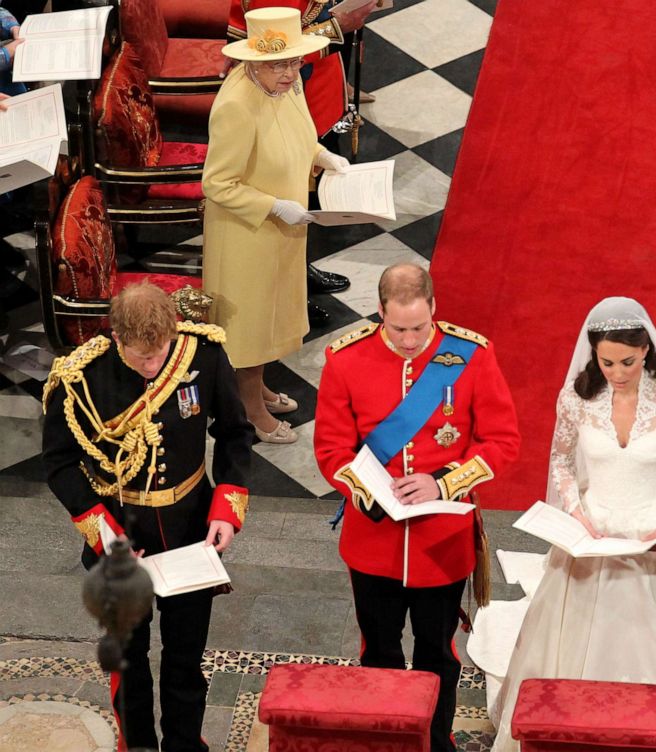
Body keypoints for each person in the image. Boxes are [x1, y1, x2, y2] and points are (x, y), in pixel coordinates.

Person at [490, 297, 656, 752]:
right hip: (592, 533)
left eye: (628, 362)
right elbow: (560, 460)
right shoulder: (577, 398)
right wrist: (576, 513)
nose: (617, 372)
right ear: (593, 355)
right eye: (607, 362)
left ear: (647, 352)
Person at [314, 263, 521, 752]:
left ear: (434, 309)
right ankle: (385, 740)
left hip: (441, 543)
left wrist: (445, 483)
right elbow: (331, 450)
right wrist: (373, 492)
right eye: (398, 329)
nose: (410, 341)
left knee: (437, 654)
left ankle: (435, 740)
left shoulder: (470, 356)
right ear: (379, 312)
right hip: (374, 541)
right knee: (380, 651)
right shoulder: (346, 360)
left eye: (419, 328)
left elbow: (501, 441)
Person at [41, 281, 253, 752]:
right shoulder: (82, 377)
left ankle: (184, 744)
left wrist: (227, 509)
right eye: (141, 359)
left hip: (191, 533)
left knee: (185, 659)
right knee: (129, 661)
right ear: (116, 338)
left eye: (160, 355)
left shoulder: (203, 354)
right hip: (120, 535)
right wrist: (107, 537)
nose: (155, 368)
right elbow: (58, 463)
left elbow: (236, 435)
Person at [202, 6, 351, 444]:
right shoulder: (235, 106)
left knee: (271, 315)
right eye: (279, 64)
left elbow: (301, 132)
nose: (290, 73)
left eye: (294, 61)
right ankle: (247, 409)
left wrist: (323, 157)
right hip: (246, 233)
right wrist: (273, 206)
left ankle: (258, 388)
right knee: (250, 323)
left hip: (282, 226)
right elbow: (217, 183)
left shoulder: (284, 84)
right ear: (252, 62)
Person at [226, 0, 376, 324]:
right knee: (285, 206)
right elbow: (271, 56)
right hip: (284, 98)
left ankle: (300, 273)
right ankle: (286, 297)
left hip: (312, 97)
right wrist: (337, 26)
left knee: (307, 201)